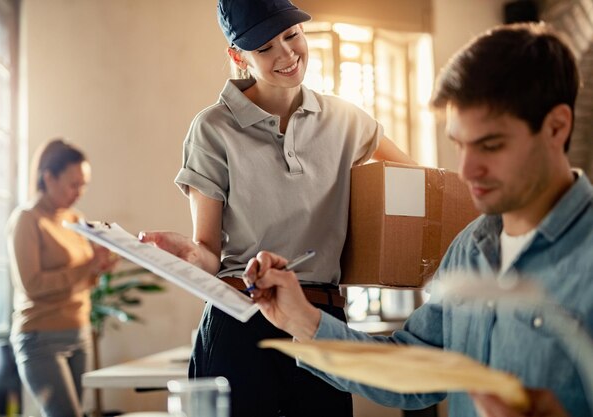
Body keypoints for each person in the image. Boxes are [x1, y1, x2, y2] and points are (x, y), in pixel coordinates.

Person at [243, 22, 592, 417]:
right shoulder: (469, 248)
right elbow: (415, 368)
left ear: (557, 127)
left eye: (491, 145)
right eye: (459, 145)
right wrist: (303, 319)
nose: (468, 170)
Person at [138, 0, 414, 415]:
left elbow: (416, 185)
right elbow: (209, 254)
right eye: (265, 48)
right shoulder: (213, 128)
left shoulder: (346, 120)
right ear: (238, 57)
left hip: (320, 322)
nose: (286, 55)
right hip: (241, 323)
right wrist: (186, 255)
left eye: (291, 36)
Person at [7, 139, 117, 417]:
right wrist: (88, 267)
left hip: (79, 332)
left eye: (84, 185)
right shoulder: (28, 220)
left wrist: (101, 266)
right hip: (40, 336)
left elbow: (84, 277)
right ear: (49, 178)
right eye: (73, 184)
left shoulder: (76, 219)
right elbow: (32, 285)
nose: (79, 192)